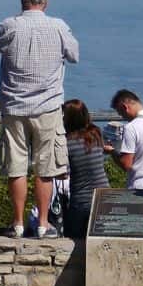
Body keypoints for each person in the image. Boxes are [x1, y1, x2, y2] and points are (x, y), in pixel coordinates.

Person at [0, 0, 79, 239]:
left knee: (16, 166)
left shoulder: (9, 25)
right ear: (45, 3)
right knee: (45, 168)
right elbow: (74, 55)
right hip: (47, 106)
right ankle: (43, 224)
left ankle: (17, 223)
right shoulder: (58, 26)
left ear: (22, 2)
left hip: (14, 106)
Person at [61, 99, 109, 239]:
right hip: (104, 196)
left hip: (81, 200)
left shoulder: (66, 142)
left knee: (73, 238)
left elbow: (64, 173)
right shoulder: (96, 135)